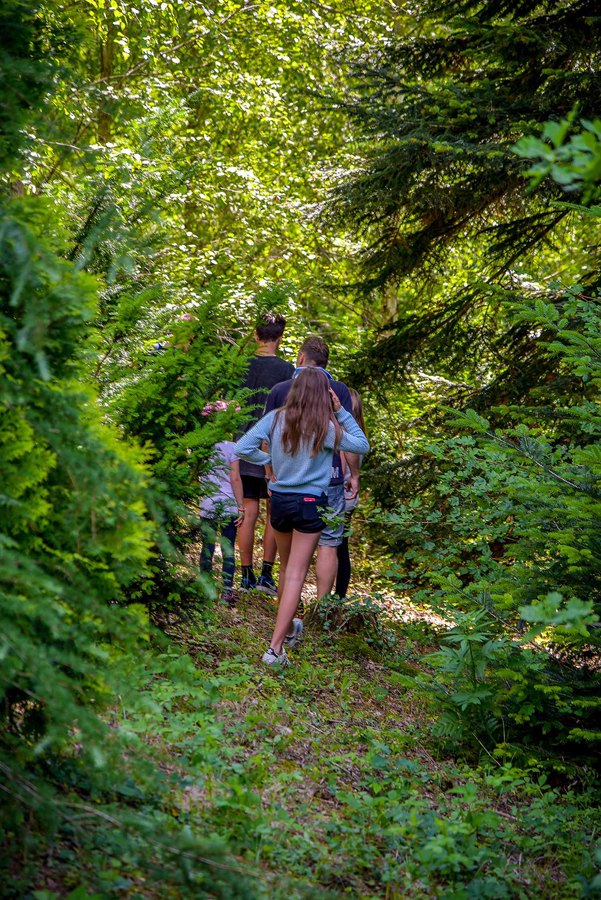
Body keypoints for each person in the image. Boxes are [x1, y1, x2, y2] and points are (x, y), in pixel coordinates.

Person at [234, 368, 370, 664]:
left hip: (279, 502)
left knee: (285, 570)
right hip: (310, 503)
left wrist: (268, 459)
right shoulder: (325, 427)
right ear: (324, 394)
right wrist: (342, 412)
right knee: (296, 574)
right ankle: (275, 648)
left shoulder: (276, 418)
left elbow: (241, 447)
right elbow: (361, 445)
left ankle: (289, 626)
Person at [264, 336, 360, 601]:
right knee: (329, 544)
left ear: (301, 357)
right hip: (330, 477)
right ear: (326, 363)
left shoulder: (281, 389)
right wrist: (354, 475)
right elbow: (347, 434)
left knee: (289, 557)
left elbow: (266, 437)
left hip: (288, 478)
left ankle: (286, 610)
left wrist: (268, 473)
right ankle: (322, 609)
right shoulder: (338, 390)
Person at [236, 312, 295, 595]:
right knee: (274, 512)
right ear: (280, 338)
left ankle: (245, 576)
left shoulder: (240, 365)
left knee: (248, 511)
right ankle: (266, 576)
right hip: (274, 448)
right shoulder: (287, 371)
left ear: (256, 335)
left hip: (243, 444)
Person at [199, 403, 246, 606]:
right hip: (228, 505)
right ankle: (226, 590)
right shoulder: (232, 448)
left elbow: (199, 476)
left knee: (206, 547)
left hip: (207, 504)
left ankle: (205, 588)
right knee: (228, 547)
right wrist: (241, 506)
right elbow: (235, 478)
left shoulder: (203, 445)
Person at [336, 390, 367, 598]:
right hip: (348, 500)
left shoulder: (344, 435)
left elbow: (341, 464)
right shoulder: (360, 436)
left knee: (333, 548)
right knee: (341, 549)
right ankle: (338, 598)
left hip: (338, 496)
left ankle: (334, 600)